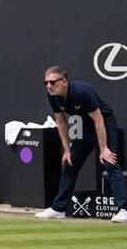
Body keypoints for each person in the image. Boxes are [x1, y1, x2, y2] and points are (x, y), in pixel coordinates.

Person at [34, 67, 126, 223]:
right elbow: (61, 122)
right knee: (70, 164)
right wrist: (67, 150)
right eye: (46, 82)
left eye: (53, 82)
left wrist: (103, 149)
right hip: (84, 128)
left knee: (110, 163)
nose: (49, 86)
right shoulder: (53, 96)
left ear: (64, 81)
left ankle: (124, 209)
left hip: (103, 125)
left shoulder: (82, 92)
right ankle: (58, 208)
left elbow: (99, 120)